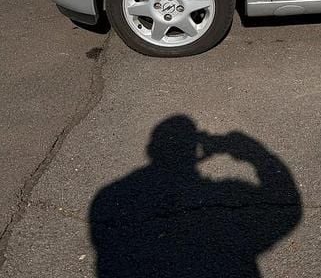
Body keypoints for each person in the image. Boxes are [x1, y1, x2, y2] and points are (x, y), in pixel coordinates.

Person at [89, 115, 302, 277]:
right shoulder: (223, 195)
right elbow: (286, 209)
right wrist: (252, 152)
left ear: (151, 148)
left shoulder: (109, 195)